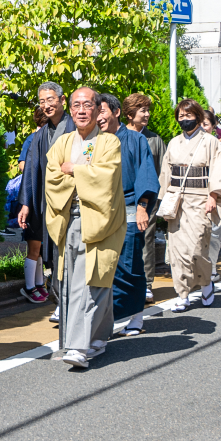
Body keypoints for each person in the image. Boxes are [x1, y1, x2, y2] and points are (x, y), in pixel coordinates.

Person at [44, 87, 126, 369]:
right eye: (77, 104)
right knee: (77, 279)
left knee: (94, 278)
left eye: (88, 105)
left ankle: (79, 347)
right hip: (70, 217)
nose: (81, 110)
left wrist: (74, 170)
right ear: (71, 108)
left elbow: (106, 178)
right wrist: (79, 173)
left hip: (101, 219)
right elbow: (52, 177)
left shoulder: (109, 143)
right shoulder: (63, 142)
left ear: (98, 109)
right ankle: (100, 336)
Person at [96, 94, 159, 337]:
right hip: (101, 213)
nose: (99, 117)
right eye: (96, 113)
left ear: (116, 112)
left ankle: (135, 316)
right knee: (104, 268)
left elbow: (146, 173)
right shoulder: (94, 141)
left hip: (130, 208)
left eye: (103, 112)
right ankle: (106, 319)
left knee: (130, 265)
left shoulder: (136, 140)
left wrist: (143, 206)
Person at [159, 99, 221, 312]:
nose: (184, 120)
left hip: (201, 200)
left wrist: (213, 196)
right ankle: (182, 293)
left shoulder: (211, 143)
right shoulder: (173, 143)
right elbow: (166, 172)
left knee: (198, 247)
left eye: (188, 116)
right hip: (178, 200)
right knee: (178, 250)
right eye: (180, 116)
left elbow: (218, 171)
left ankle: (206, 281)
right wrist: (164, 199)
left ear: (198, 117)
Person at [18, 81, 76, 322]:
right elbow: (30, 170)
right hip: (47, 203)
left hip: (73, 202)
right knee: (52, 254)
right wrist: (26, 204)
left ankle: (70, 303)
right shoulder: (40, 135)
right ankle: (61, 302)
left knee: (71, 253)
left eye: (50, 100)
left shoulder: (77, 128)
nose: (46, 105)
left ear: (63, 100)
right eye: (42, 101)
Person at [124, 93, 166, 302]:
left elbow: (162, 170)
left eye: (148, 110)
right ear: (130, 114)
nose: (147, 114)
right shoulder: (117, 137)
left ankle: (147, 283)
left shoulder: (154, 139)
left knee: (146, 239)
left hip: (147, 200)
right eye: (143, 110)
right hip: (122, 199)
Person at [15, 104, 50, 303]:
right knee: (34, 247)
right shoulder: (33, 139)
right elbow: (22, 165)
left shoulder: (45, 137)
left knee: (39, 248)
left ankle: (39, 284)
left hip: (42, 201)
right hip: (32, 201)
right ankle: (30, 287)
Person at [202, 108, 221, 282]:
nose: (202, 127)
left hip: (216, 193)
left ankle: (212, 266)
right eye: (199, 123)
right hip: (196, 193)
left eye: (205, 124)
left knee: (214, 231)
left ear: (214, 127)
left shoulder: (219, 145)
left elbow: (219, 173)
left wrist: (213, 194)